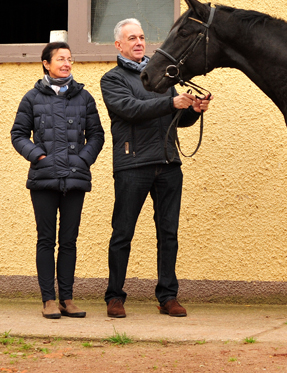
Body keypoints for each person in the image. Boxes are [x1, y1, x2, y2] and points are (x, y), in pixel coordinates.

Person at [100, 18, 210, 318]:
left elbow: (175, 118)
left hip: (168, 164)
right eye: (132, 38)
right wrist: (172, 103)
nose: (139, 42)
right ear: (118, 45)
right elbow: (130, 110)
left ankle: (167, 296)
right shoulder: (112, 79)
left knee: (168, 233)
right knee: (122, 233)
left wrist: (193, 110)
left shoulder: (162, 77)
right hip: (132, 164)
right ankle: (115, 296)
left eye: (142, 37)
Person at [11, 42, 105, 319]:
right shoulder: (32, 98)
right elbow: (18, 135)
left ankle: (67, 297)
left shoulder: (84, 97)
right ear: (46, 63)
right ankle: (48, 300)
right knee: (46, 240)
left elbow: (97, 135)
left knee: (69, 241)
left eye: (70, 59)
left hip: (75, 177)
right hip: (44, 178)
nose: (66, 64)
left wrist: (82, 160)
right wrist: (39, 156)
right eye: (61, 59)